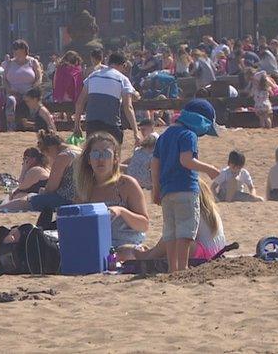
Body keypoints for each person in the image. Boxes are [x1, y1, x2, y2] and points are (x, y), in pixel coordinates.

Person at [0, 132, 148, 275]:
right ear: (88, 160)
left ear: (115, 159)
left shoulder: (126, 184)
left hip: (122, 242)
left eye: (106, 154)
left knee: (123, 254)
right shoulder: (86, 186)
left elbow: (144, 224)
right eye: (95, 154)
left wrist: (121, 211)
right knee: (39, 246)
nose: (100, 159)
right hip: (92, 242)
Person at [151, 98, 221, 272]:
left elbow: (154, 164)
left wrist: (156, 189)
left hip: (167, 191)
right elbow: (186, 160)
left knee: (170, 230)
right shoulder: (188, 135)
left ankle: (172, 267)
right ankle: (182, 267)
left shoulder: (164, 136)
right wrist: (210, 169)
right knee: (185, 230)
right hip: (186, 189)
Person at [0, 131, 80, 218]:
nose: (49, 158)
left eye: (47, 154)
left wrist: (43, 191)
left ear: (50, 148)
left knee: (28, 199)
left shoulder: (63, 157)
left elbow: (52, 187)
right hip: (80, 196)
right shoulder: (76, 150)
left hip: (67, 199)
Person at [122, 180, 226, 263]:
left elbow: (172, 234)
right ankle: (150, 255)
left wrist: (152, 253)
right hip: (216, 252)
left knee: (175, 239)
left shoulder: (191, 208)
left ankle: (147, 257)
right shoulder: (209, 210)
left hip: (203, 255)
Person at [72, 52, 140, 145]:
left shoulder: (93, 76)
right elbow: (128, 107)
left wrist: (77, 125)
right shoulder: (122, 79)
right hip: (111, 122)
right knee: (114, 154)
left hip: (92, 122)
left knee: (93, 153)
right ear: (123, 65)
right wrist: (136, 132)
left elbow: (80, 102)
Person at [2, 40, 43, 131]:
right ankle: (10, 126)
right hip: (14, 92)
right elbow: (4, 79)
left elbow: (39, 78)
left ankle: (34, 124)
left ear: (24, 50)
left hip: (29, 91)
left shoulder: (33, 62)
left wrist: (32, 89)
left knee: (33, 101)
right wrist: (9, 89)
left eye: (18, 50)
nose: (16, 52)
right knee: (10, 101)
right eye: (15, 50)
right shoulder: (9, 63)